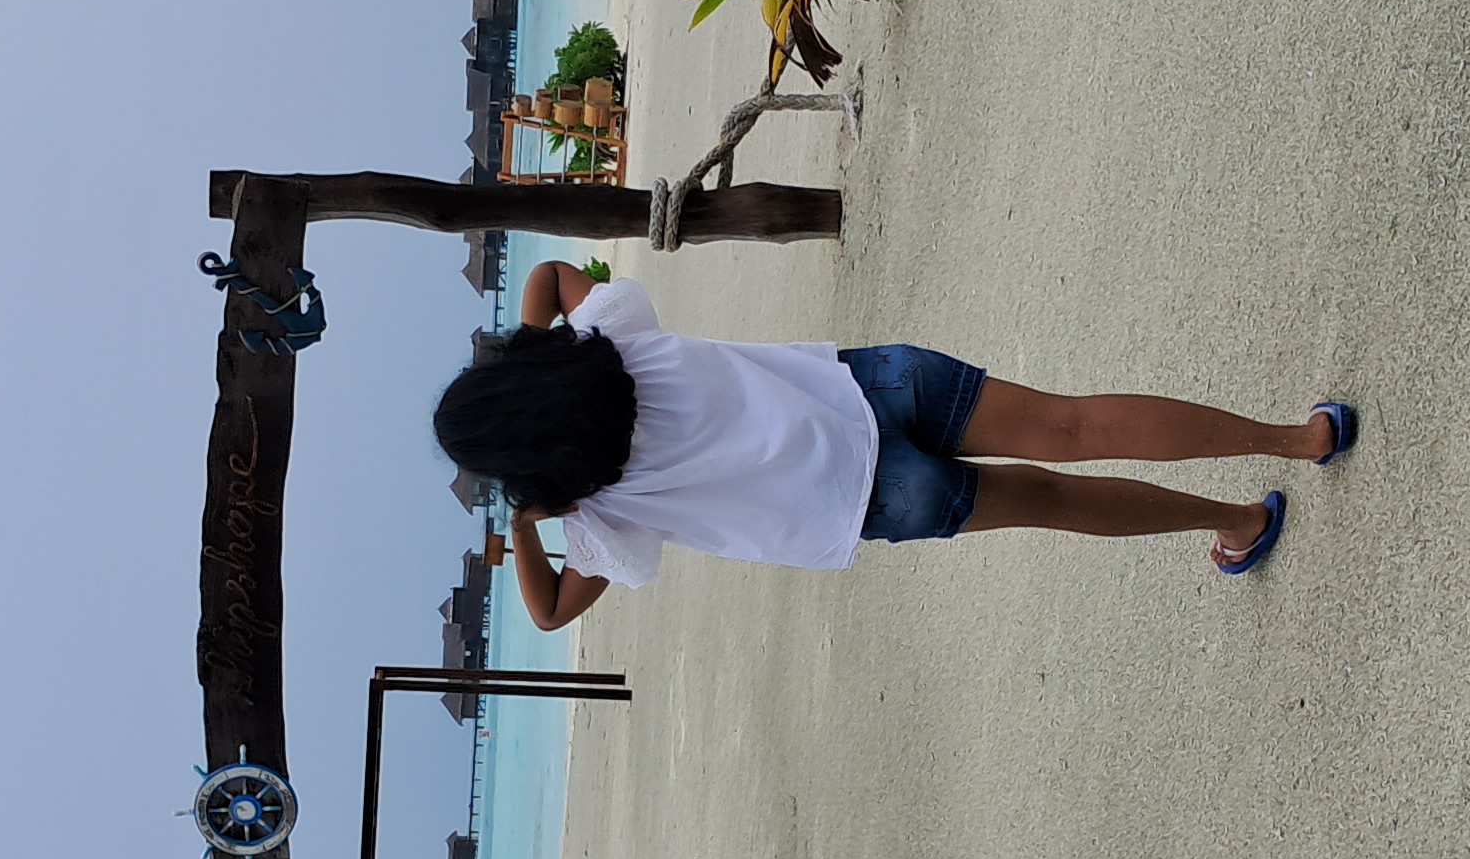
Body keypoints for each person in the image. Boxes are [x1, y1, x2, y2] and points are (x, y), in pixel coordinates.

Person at [432, 257, 1356, 632]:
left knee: (1056, 504)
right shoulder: (614, 339)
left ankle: (1241, 520)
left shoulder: (601, 511)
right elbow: (554, 277)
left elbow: (551, 611)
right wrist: (540, 353)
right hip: (876, 385)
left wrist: (523, 512)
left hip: (870, 498)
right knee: (1071, 423)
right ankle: (1298, 437)